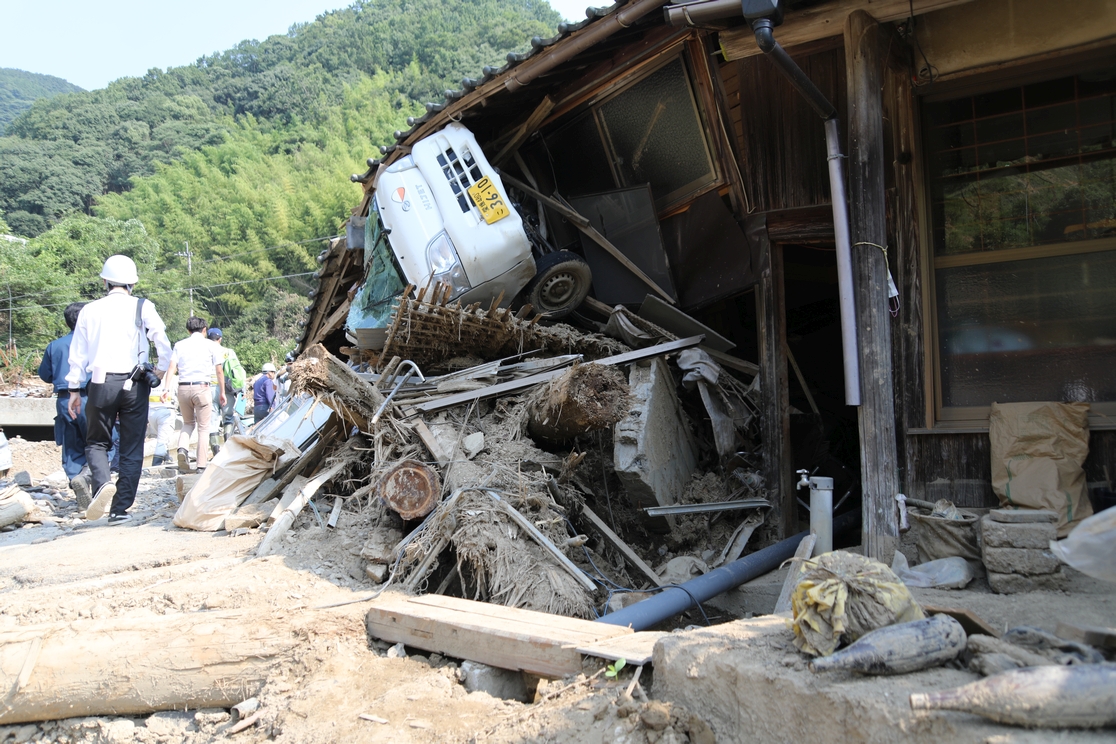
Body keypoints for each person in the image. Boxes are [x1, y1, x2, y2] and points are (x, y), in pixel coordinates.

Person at [66, 255, 171, 524]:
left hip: (101, 383)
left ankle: (102, 484)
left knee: (96, 442)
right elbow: (160, 336)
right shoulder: (143, 306)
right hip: (135, 384)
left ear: (105, 281)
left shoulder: (89, 309)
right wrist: (161, 367)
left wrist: (74, 389)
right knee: (132, 447)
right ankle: (119, 509)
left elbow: (77, 353)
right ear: (132, 283)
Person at [38, 302, 90, 503]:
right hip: (91, 397)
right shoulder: (95, 345)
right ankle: (89, 477)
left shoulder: (54, 346)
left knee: (71, 445)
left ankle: (77, 478)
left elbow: (45, 375)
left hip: (64, 400)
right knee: (101, 442)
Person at [165, 318, 225, 474]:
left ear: (188, 330)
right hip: (202, 387)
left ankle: (182, 449)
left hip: (183, 388)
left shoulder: (179, 345)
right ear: (205, 330)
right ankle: (201, 465)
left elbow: (172, 367)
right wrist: (222, 392)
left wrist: (166, 388)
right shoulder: (212, 345)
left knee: (188, 423)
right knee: (204, 428)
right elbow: (219, 370)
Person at [206, 327, 246, 452]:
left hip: (208, 388)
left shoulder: (203, 351)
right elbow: (238, 371)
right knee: (228, 418)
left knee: (212, 420)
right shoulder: (228, 352)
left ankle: (216, 451)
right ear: (220, 339)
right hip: (226, 387)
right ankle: (228, 449)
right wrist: (242, 389)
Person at [147, 373, 177, 467]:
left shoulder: (151, 377)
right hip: (166, 412)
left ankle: (167, 458)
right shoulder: (174, 378)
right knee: (162, 440)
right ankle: (156, 465)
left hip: (151, 412)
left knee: (162, 438)